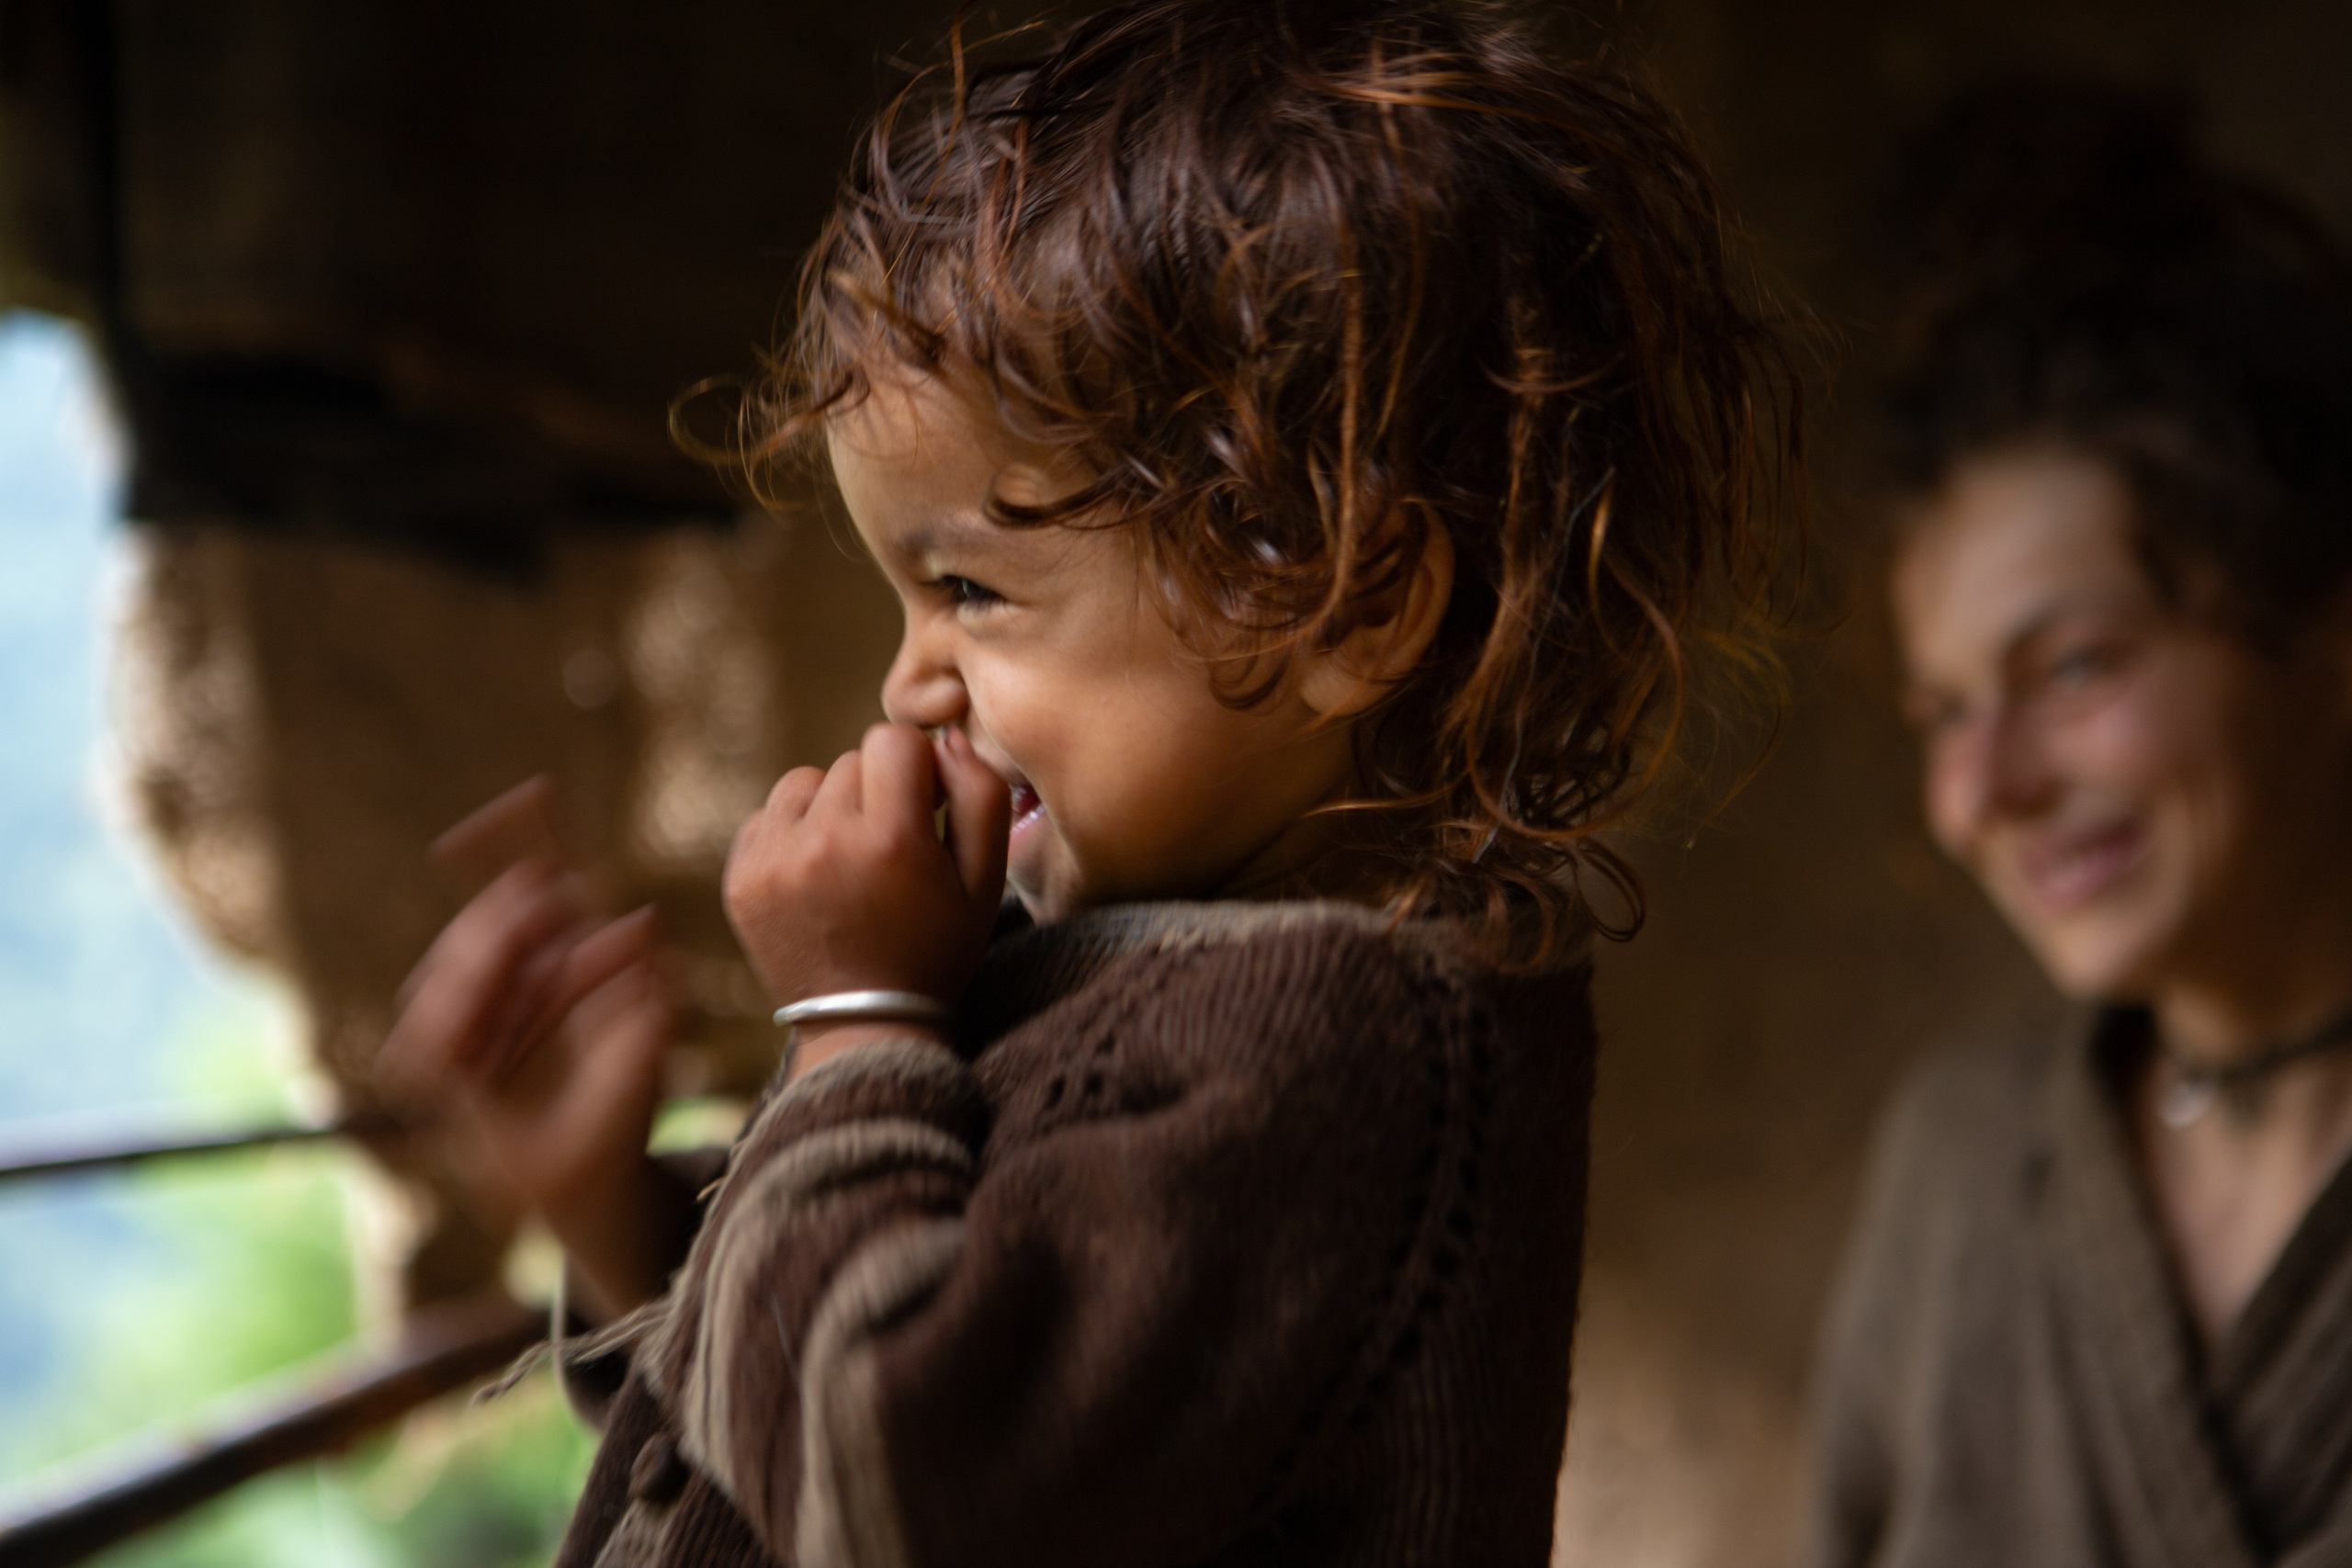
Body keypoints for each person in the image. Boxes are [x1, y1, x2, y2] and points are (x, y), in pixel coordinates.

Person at [382, 3, 1799, 1564]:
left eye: (973, 593)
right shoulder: (1090, 971)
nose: (905, 684)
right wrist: (608, 1201)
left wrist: (850, 1027)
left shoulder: (1342, 1050)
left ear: (1343, 600)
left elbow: (903, 1482)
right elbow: (765, 1421)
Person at [1812, 84, 2352, 1568]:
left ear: (2326, 624)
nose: (1985, 794)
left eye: (2076, 666)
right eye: (1943, 713)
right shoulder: (1961, 1163)